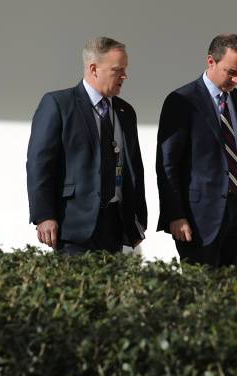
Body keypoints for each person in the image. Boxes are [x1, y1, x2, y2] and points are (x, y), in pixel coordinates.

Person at [27, 37, 147, 255]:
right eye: (117, 70)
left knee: (111, 289)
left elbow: (134, 168)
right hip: (72, 225)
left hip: (115, 224)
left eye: (125, 69)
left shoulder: (125, 112)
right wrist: (44, 216)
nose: (124, 76)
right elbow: (39, 164)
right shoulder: (59, 104)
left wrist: (137, 219)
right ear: (94, 69)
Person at [156, 33, 237, 267]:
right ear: (211, 61)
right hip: (197, 219)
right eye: (231, 72)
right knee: (200, 295)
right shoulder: (182, 101)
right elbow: (167, 163)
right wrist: (175, 214)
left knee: (234, 293)